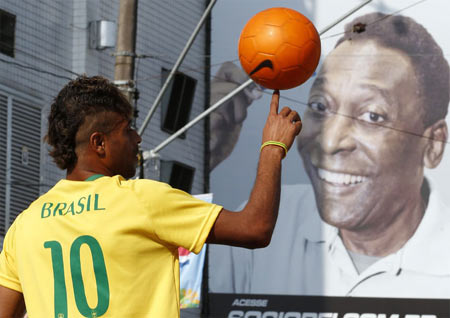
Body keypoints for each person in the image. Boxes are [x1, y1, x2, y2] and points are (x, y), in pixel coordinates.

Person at [0, 75, 302, 317]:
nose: (137, 137)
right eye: (127, 129)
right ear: (99, 143)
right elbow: (255, 228)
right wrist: (273, 148)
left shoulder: (25, 226)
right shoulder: (141, 200)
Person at [209, 12, 450, 298]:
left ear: (433, 144)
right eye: (320, 106)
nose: (331, 140)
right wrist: (202, 156)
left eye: (373, 115)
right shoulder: (274, 215)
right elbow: (175, 293)